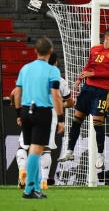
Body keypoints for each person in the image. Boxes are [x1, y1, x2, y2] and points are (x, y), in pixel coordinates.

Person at [58, 28, 109, 170]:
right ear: (106, 37)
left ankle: (100, 155)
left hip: (102, 91)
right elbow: (89, 66)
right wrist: (79, 79)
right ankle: (69, 151)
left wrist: (92, 73)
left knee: (97, 124)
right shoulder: (95, 49)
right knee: (77, 121)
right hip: (87, 89)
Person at [13, 53, 74, 190]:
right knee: (45, 148)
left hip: (30, 110)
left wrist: (18, 113)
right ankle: (44, 180)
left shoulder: (31, 74)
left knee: (24, 146)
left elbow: (15, 93)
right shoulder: (60, 80)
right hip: (49, 113)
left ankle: (23, 169)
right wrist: (63, 108)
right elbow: (69, 102)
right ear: (56, 64)